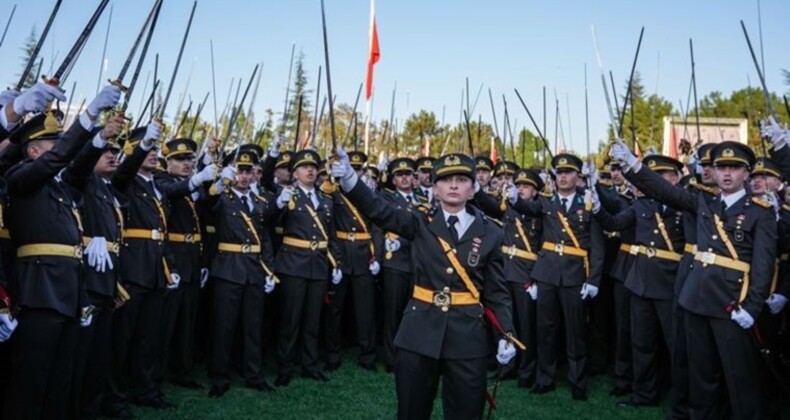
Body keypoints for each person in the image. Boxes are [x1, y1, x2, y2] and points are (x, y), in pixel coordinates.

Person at [332, 149, 518, 420]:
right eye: (445, 179)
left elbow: (497, 292)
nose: (453, 185)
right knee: (411, 411)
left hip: (467, 336)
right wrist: (350, 179)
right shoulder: (419, 221)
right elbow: (378, 209)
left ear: (473, 188)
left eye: (462, 179)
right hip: (419, 332)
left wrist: (506, 333)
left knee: (466, 412)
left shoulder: (491, 232)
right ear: (435, 188)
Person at [611, 139, 776, 420]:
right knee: (701, 375)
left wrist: (751, 306)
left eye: (734, 168)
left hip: (731, 304)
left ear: (747, 174)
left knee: (739, 376)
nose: (726, 174)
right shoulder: (703, 202)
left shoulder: (759, 213)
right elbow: (664, 191)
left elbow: (763, 266)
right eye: (721, 167)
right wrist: (633, 164)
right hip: (696, 299)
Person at [3, 83, 120, 419]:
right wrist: (88, 116)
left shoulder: (61, 188)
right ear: (34, 151)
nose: (61, 151)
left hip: (68, 292)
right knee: (31, 382)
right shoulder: (21, 177)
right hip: (39, 293)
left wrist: (96, 137)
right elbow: (61, 158)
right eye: (54, 145)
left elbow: (79, 167)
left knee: (60, 380)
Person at [507, 153, 605, 401]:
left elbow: (597, 247)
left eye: (568, 172)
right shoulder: (546, 203)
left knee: (576, 332)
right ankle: (544, 378)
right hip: (547, 274)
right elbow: (526, 207)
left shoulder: (588, 203)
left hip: (574, 276)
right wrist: (513, 198)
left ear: (577, 176)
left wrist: (593, 280)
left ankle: (578, 382)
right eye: (559, 173)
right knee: (545, 330)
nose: (563, 176)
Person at [592, 154, 686, 407]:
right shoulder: (642, 205)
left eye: (660, 177)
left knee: (676, 346)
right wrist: (598, 208)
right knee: (641, 342)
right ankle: (644, 393)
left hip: (670, 283)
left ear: (675, 179)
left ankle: (681, 400)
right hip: (640, 282)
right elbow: (615, 222)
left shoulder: (684, 206)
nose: (652, 183)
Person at [105, 120, 180, 415]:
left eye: (153, 149)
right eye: (144, 149)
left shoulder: (157, 186)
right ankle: (117, 397)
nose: (152, 154)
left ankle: (145, 388)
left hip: (155, 268)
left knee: (149, 337)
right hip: (134, 268)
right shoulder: (124, 180)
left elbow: (162, 231)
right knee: (124, 338)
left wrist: (169, 265)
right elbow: (123, 171)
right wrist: (142, 145)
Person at [207, 147, 278, 397]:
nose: (245, 176)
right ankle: (219, 376)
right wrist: (219, 181)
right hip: (229, 267)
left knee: (253, 326)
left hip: (253, 269)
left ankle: (253, 374)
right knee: (224, 327)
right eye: (240, 171)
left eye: (248, 171)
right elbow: (208, 203)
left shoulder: (260, 202)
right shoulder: (222, 197)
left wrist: (269, 269)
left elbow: (265, 238)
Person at [273, 149, 343, 386]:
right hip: (293, 263)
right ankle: (285, 366)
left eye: (313, 167)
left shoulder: (325, 199)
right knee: (290, 320)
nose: (310, 171)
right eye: (304, 167)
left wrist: (336, 262)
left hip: (318, 265)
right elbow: (269, 222)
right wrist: (279, 203)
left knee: (313, 320)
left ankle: (309, 365)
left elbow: (331, 235)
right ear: (295, 173)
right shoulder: (287, 195)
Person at [155, 138, 216, 389]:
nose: (187, 163)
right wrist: (197, 179)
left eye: (190, 159)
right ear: (167, 162)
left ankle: (182, 369)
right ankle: (157, 373)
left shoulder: (193, 187)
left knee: (187, 321)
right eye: (180, 160)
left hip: (192, 258)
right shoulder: (162, 180)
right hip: (173, 258)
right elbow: (172, 192)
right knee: (166, 323)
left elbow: (204, 215)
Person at [474, 168, 544, 388]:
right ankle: (506, 366)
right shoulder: (509, 206)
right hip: (505, 270)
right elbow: (490, 207)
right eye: (519, 185)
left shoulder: (541, 211)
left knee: (526, 326)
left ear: (535, 191)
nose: (521, 189)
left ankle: (527, 371)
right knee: (505, 323)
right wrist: (477, 189)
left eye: (526, 186)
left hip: (526, 273)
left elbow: (545, 246)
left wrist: (537, 278)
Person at [323, 151, 379, 371]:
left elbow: (377, 225)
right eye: (350, 168)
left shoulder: (367, 194)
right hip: (341, 253)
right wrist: (330, 177)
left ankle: (368, 355)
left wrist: (377, 256)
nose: (353, 172)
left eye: (357, 169)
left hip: (364, 254)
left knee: (366, 310)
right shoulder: (332, 192)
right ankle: (333, 354)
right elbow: (326, 221)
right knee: (334, 309)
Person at [376, 157, 429, 372]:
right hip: (395, 261)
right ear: (393, 179)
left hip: (417, 262)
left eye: (408, 174)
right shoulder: (387, 199)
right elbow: (378, 228)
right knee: (392, 313)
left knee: (414, 313)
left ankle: (411, 355)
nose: (405, 178)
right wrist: (378, 257)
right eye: (399, 174)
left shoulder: (422, 198)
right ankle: (391, 358)